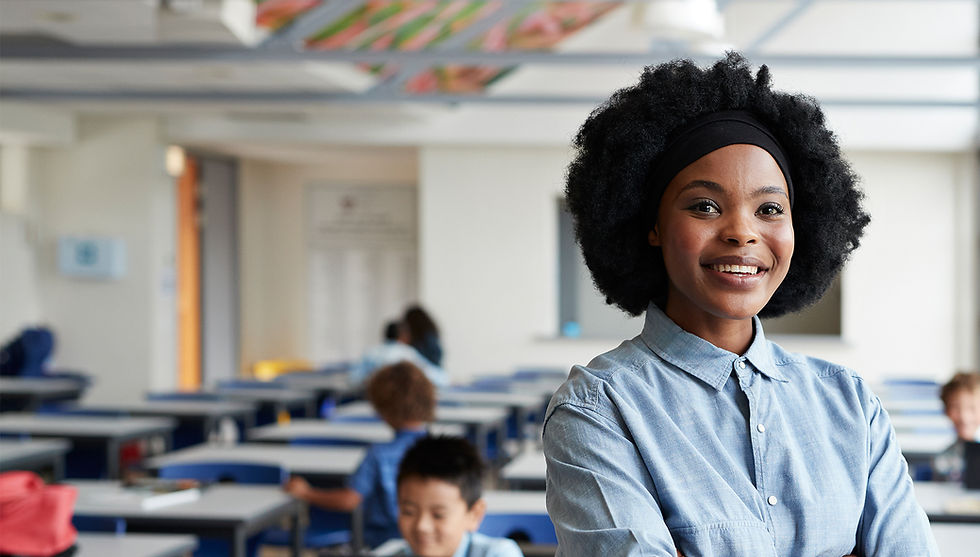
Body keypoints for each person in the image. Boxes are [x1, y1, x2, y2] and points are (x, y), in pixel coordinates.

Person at [543, 53, 937, 556]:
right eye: (704, 206)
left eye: (769, 208)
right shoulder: (599, 408)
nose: (742, 232)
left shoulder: (852, 405)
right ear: (653, 225)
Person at [284, 361, 436, 548]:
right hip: (427, 542)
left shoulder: (379, 454)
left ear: (383, 410)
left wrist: (307, 493)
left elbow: (350, 500)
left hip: (383, 544)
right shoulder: (441, 449)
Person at [374, 435, 523, 557]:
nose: (422, 526)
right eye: (408, 512)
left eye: (438, 515)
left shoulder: (499, 553)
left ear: (474, 514)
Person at [352, 319, 448, 388]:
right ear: (403, 335)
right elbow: (438, 379)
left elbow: (354, 379)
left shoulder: (370, 352)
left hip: (370, 403)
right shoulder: (406, 354)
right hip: (399, 406)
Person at [933, 371, 980, 481]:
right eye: (955, 408)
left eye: (972, 408)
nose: (964, 417)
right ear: (946, 411)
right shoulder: (942, 461)